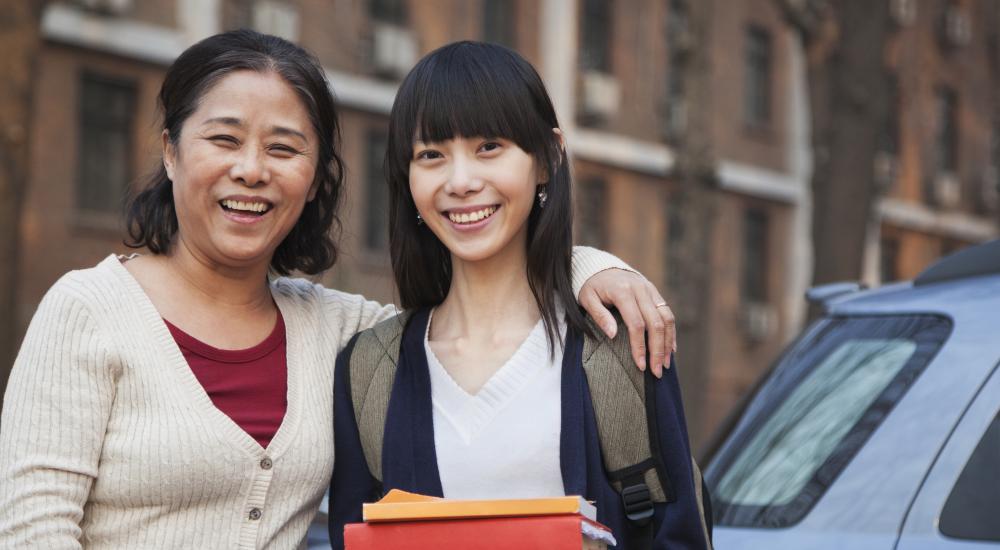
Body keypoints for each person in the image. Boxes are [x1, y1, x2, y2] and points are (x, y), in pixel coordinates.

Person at [0, 31, 676, 548]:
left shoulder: (341, 334)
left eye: (285, 149)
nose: (251, 169)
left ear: (317, 175)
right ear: (172, 152)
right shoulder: (88, 312)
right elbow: (30, 531)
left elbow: (477, 304)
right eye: (224, 139)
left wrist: (587, 266)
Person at [328, 41, 711, 550]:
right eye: (431, 156)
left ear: (547, 159)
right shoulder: (368, 370)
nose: (461, 181)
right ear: (408, 179)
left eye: (489, 147)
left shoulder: (620, 343)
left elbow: (679, 536)